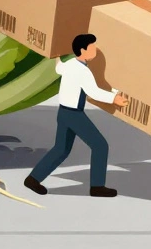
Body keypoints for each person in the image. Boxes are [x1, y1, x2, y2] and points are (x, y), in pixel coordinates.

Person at [25, 33, 128, 198]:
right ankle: (97, 186)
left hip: (64, 112)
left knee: (61, 149)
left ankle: (33, 179)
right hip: (74, 115)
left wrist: (57, 57)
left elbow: (59, 68)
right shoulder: (82, 70)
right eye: (92, 47)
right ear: (83, 50)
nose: (95, 49)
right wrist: (114, 98)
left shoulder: (71, 64)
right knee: (100, 146)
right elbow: (92, 92)